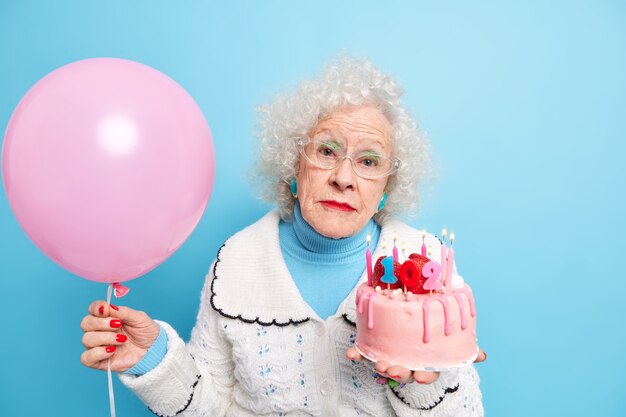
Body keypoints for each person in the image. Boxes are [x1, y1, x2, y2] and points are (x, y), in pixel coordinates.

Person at [79, 56, 486, 417]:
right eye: (326, 151)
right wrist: (152, 360)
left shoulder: (426, 264)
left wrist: (420, 384)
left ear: (385, 189)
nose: (343, 178)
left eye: (368, 161)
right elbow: (211, 409)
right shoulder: (236, 262)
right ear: (293, 167)